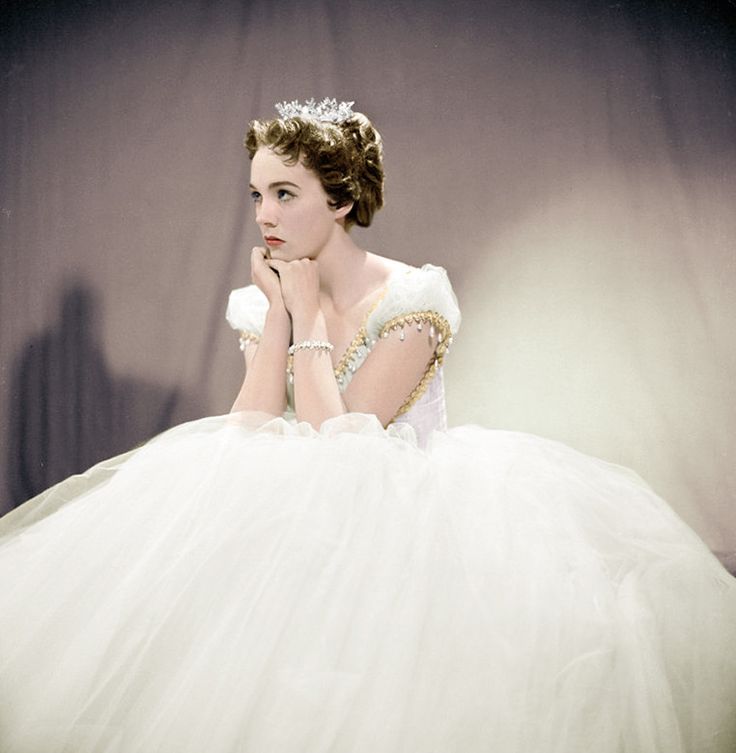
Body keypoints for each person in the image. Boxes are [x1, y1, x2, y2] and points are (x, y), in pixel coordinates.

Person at [0, 98, 735, 753]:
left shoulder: (415, 296)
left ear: (342, 200)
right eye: (257, 194)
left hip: (405, 524)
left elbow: (342, 445)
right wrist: (282, 315)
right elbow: (250, 424)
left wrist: (309, 312)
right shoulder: (264, 300)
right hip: (294, 518)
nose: (264, 216)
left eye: (286, 194)